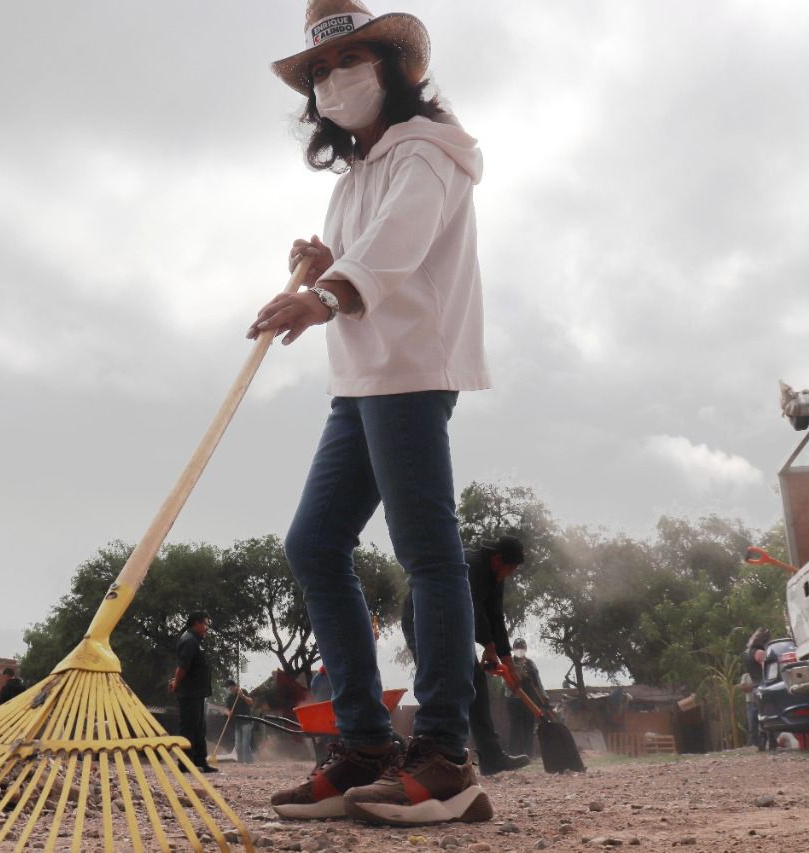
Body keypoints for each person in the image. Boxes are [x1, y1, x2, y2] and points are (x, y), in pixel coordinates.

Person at [253, 1, 493, 826]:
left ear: (394, 69)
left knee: (428, 552)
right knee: (314, 542)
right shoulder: (357, 176)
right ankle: (362, 745)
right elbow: (366, 250)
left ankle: (447, 758)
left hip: (411, 373)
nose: (332, 80)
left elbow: (400, 243)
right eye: (318, 71)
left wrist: (324, 294)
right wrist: (326, 264)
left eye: (348, 61)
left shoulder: (429, 152)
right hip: (359, 382)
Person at [402, 537, 531, 777]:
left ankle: (491, 757)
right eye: (511, 568)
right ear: (497, 559)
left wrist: (509, 664)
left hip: (450, 623)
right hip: (421, 619)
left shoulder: (495, 577)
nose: (511, 574)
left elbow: (495, 617)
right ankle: (430, 754)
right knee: (441, 681)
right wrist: (489, 647)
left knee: (476, 683)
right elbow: (472, 607)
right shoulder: (468, 565)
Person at [168, 611, 216, 773]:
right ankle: (185, 764)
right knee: (188, 728)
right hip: (189, 693)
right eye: (205, 624)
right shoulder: (188, 640)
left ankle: (201, 762)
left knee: (199, 729)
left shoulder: (196, 641)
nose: (207, 628)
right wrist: (176, 684)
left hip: (197, 693)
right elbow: (182, 667)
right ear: (196, 623)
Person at [503, 638, 547, 759]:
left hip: (529, 701)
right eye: (517, 647)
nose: (520, 650)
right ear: (513, 649)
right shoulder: (509, 664)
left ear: (526, 649)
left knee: (529, 727)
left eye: (522, 647)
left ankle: (529, 755)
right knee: (515, 728)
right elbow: (506, 682)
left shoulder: (531, 664)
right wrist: (518, 681)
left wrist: (543, 697)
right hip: (513, 700)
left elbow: (538, 682)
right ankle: (513, 755)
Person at [742, 627, 770, 750]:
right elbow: (767, 668)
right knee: (766, 714)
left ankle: (760, 743)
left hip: (755, 686)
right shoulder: (759, 653)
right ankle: (769, 741)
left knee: (759, 716)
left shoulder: (747, 653)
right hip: (763, 685)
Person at [225, 679, 256, 764]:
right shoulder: (229, 698)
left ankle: (249, 762)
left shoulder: (243, 692)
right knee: (238, 745)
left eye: (229, 688)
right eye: (228, 688)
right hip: (237, 723)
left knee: (245, 744)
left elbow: (251, 702)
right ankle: (241, 762)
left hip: (247, 722)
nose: (229, 689)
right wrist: (228, 713)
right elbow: (226, 709)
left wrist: (242, 696)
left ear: (234, 686)